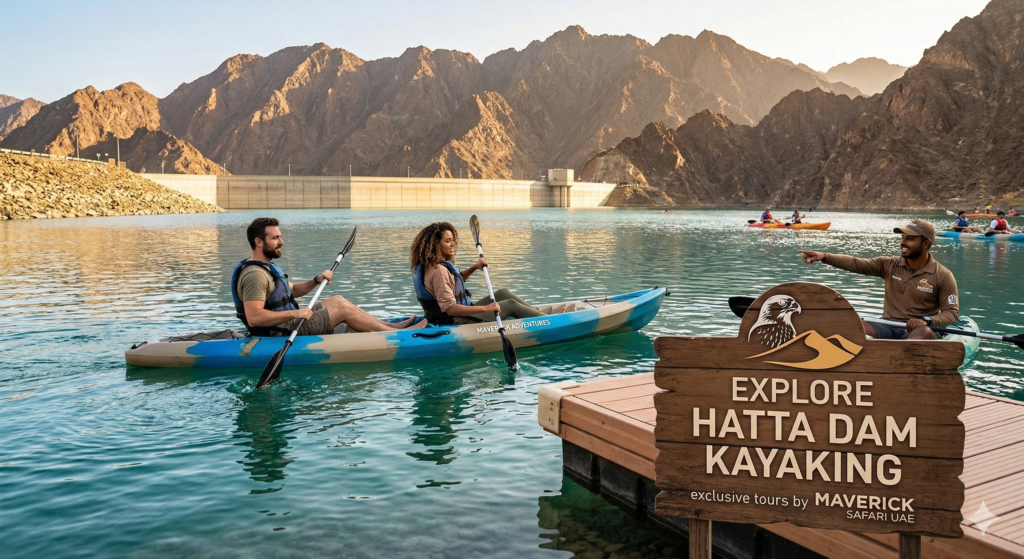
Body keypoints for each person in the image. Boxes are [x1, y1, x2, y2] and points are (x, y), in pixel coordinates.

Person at [231, 217, 423, 337]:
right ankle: (398, 334)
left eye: (280, 236)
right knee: (342, 309)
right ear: (259, 242)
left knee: (338, 300)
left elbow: (292, 290)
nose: (281, 242)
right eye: (275, 238)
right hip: (280, 331)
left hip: (287, 322)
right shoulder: (255, 275)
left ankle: (391, 326)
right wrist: (295, 314)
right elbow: (254, 318)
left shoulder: (266, 266)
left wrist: (316, 280)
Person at [796, 219, 959, 340]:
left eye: (910, 238)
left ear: (926, 243)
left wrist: (927, 321)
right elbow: (856, 264)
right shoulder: (889, 264)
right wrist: (824, 256)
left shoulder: (943, 275)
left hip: (919, 330)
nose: (903, 242)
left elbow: (952, 312)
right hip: (888, 325)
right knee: (854, 326)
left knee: (922, 333)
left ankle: (903, 367)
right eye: (903, 237)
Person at [410, 222, 549, 325]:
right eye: (448, 241)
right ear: (436, 244)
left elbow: (453, 282)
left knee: (503, 293)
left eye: (453, 240)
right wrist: (486, 309)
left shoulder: (431, 265)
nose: (453, 244)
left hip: (456, 314)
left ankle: (540, 315)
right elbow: (450, 309)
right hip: (457, 320)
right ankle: (549, 322)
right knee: (511, 304)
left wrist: (475, 267)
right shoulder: (438, 271)